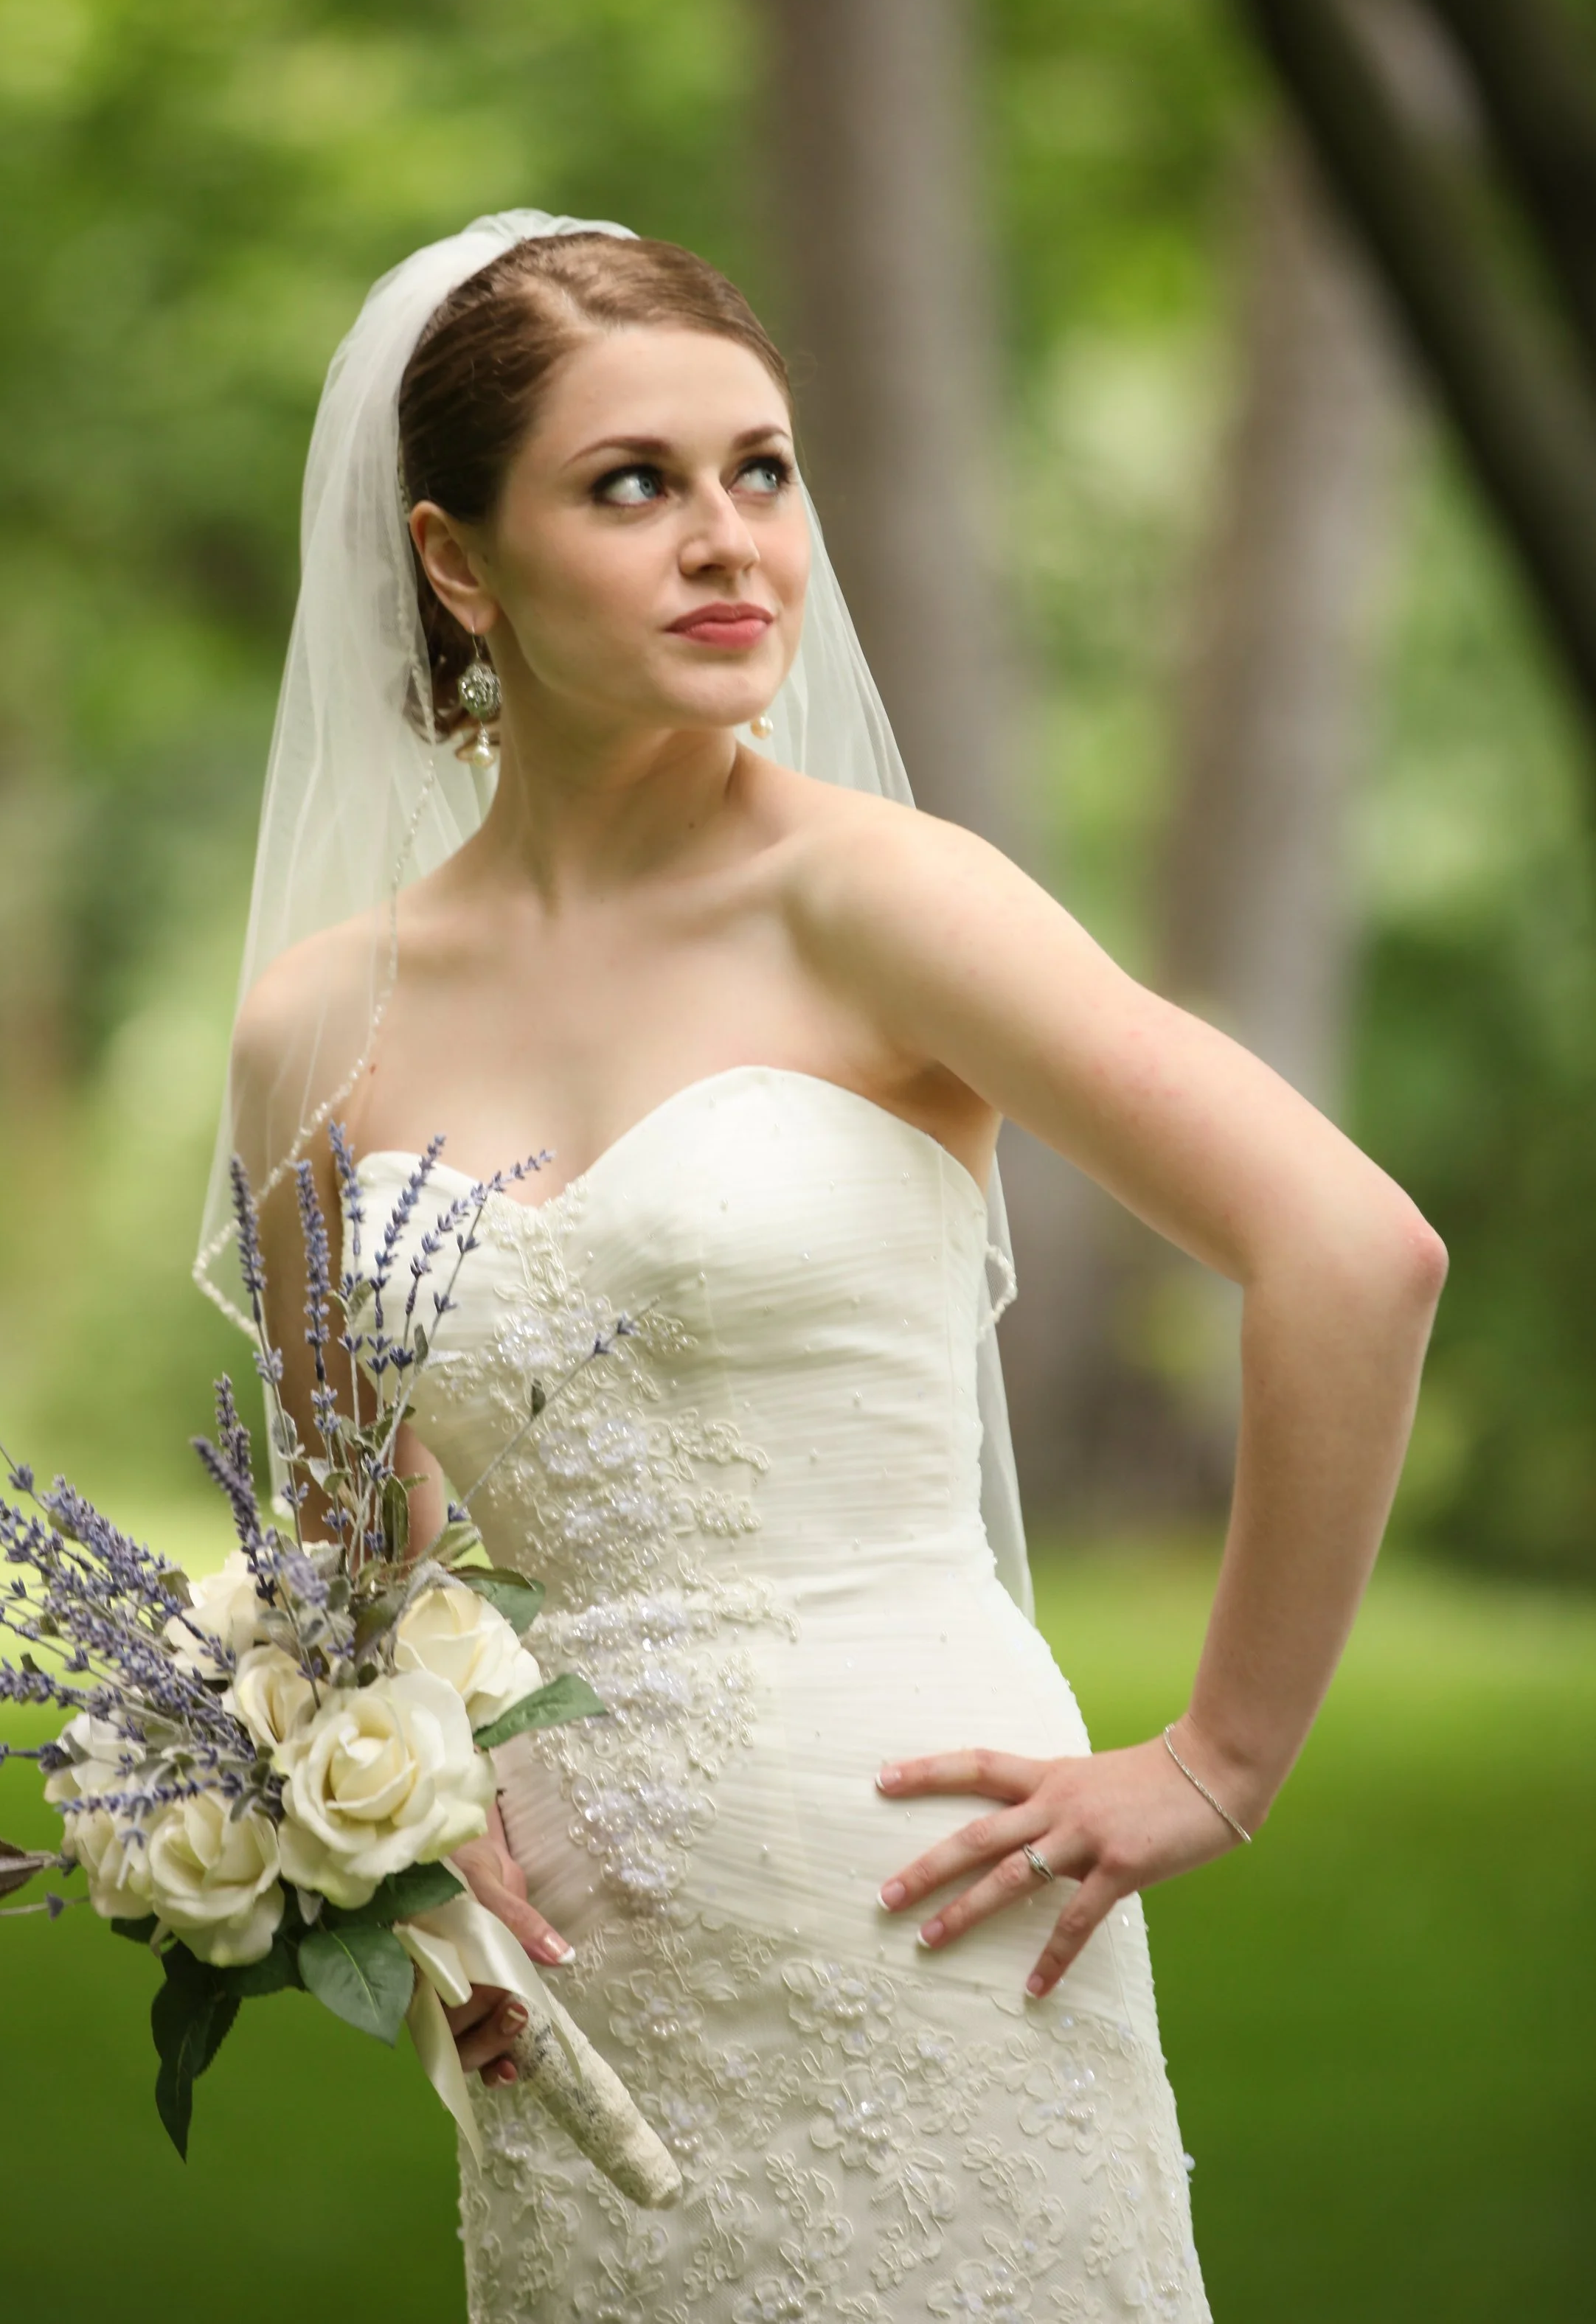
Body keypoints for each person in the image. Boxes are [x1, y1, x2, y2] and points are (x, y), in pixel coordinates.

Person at [200, 213, 1444, 2323]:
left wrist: (1219, 1758)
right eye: (633, 483)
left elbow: (1348, 1246)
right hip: (583, 1970)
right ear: (456, 560)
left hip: (930, 1880)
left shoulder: (879, 905)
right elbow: (345, 1543)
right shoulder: (315, 1027)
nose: (729, 541)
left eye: (758, 469)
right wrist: (404, 1828)